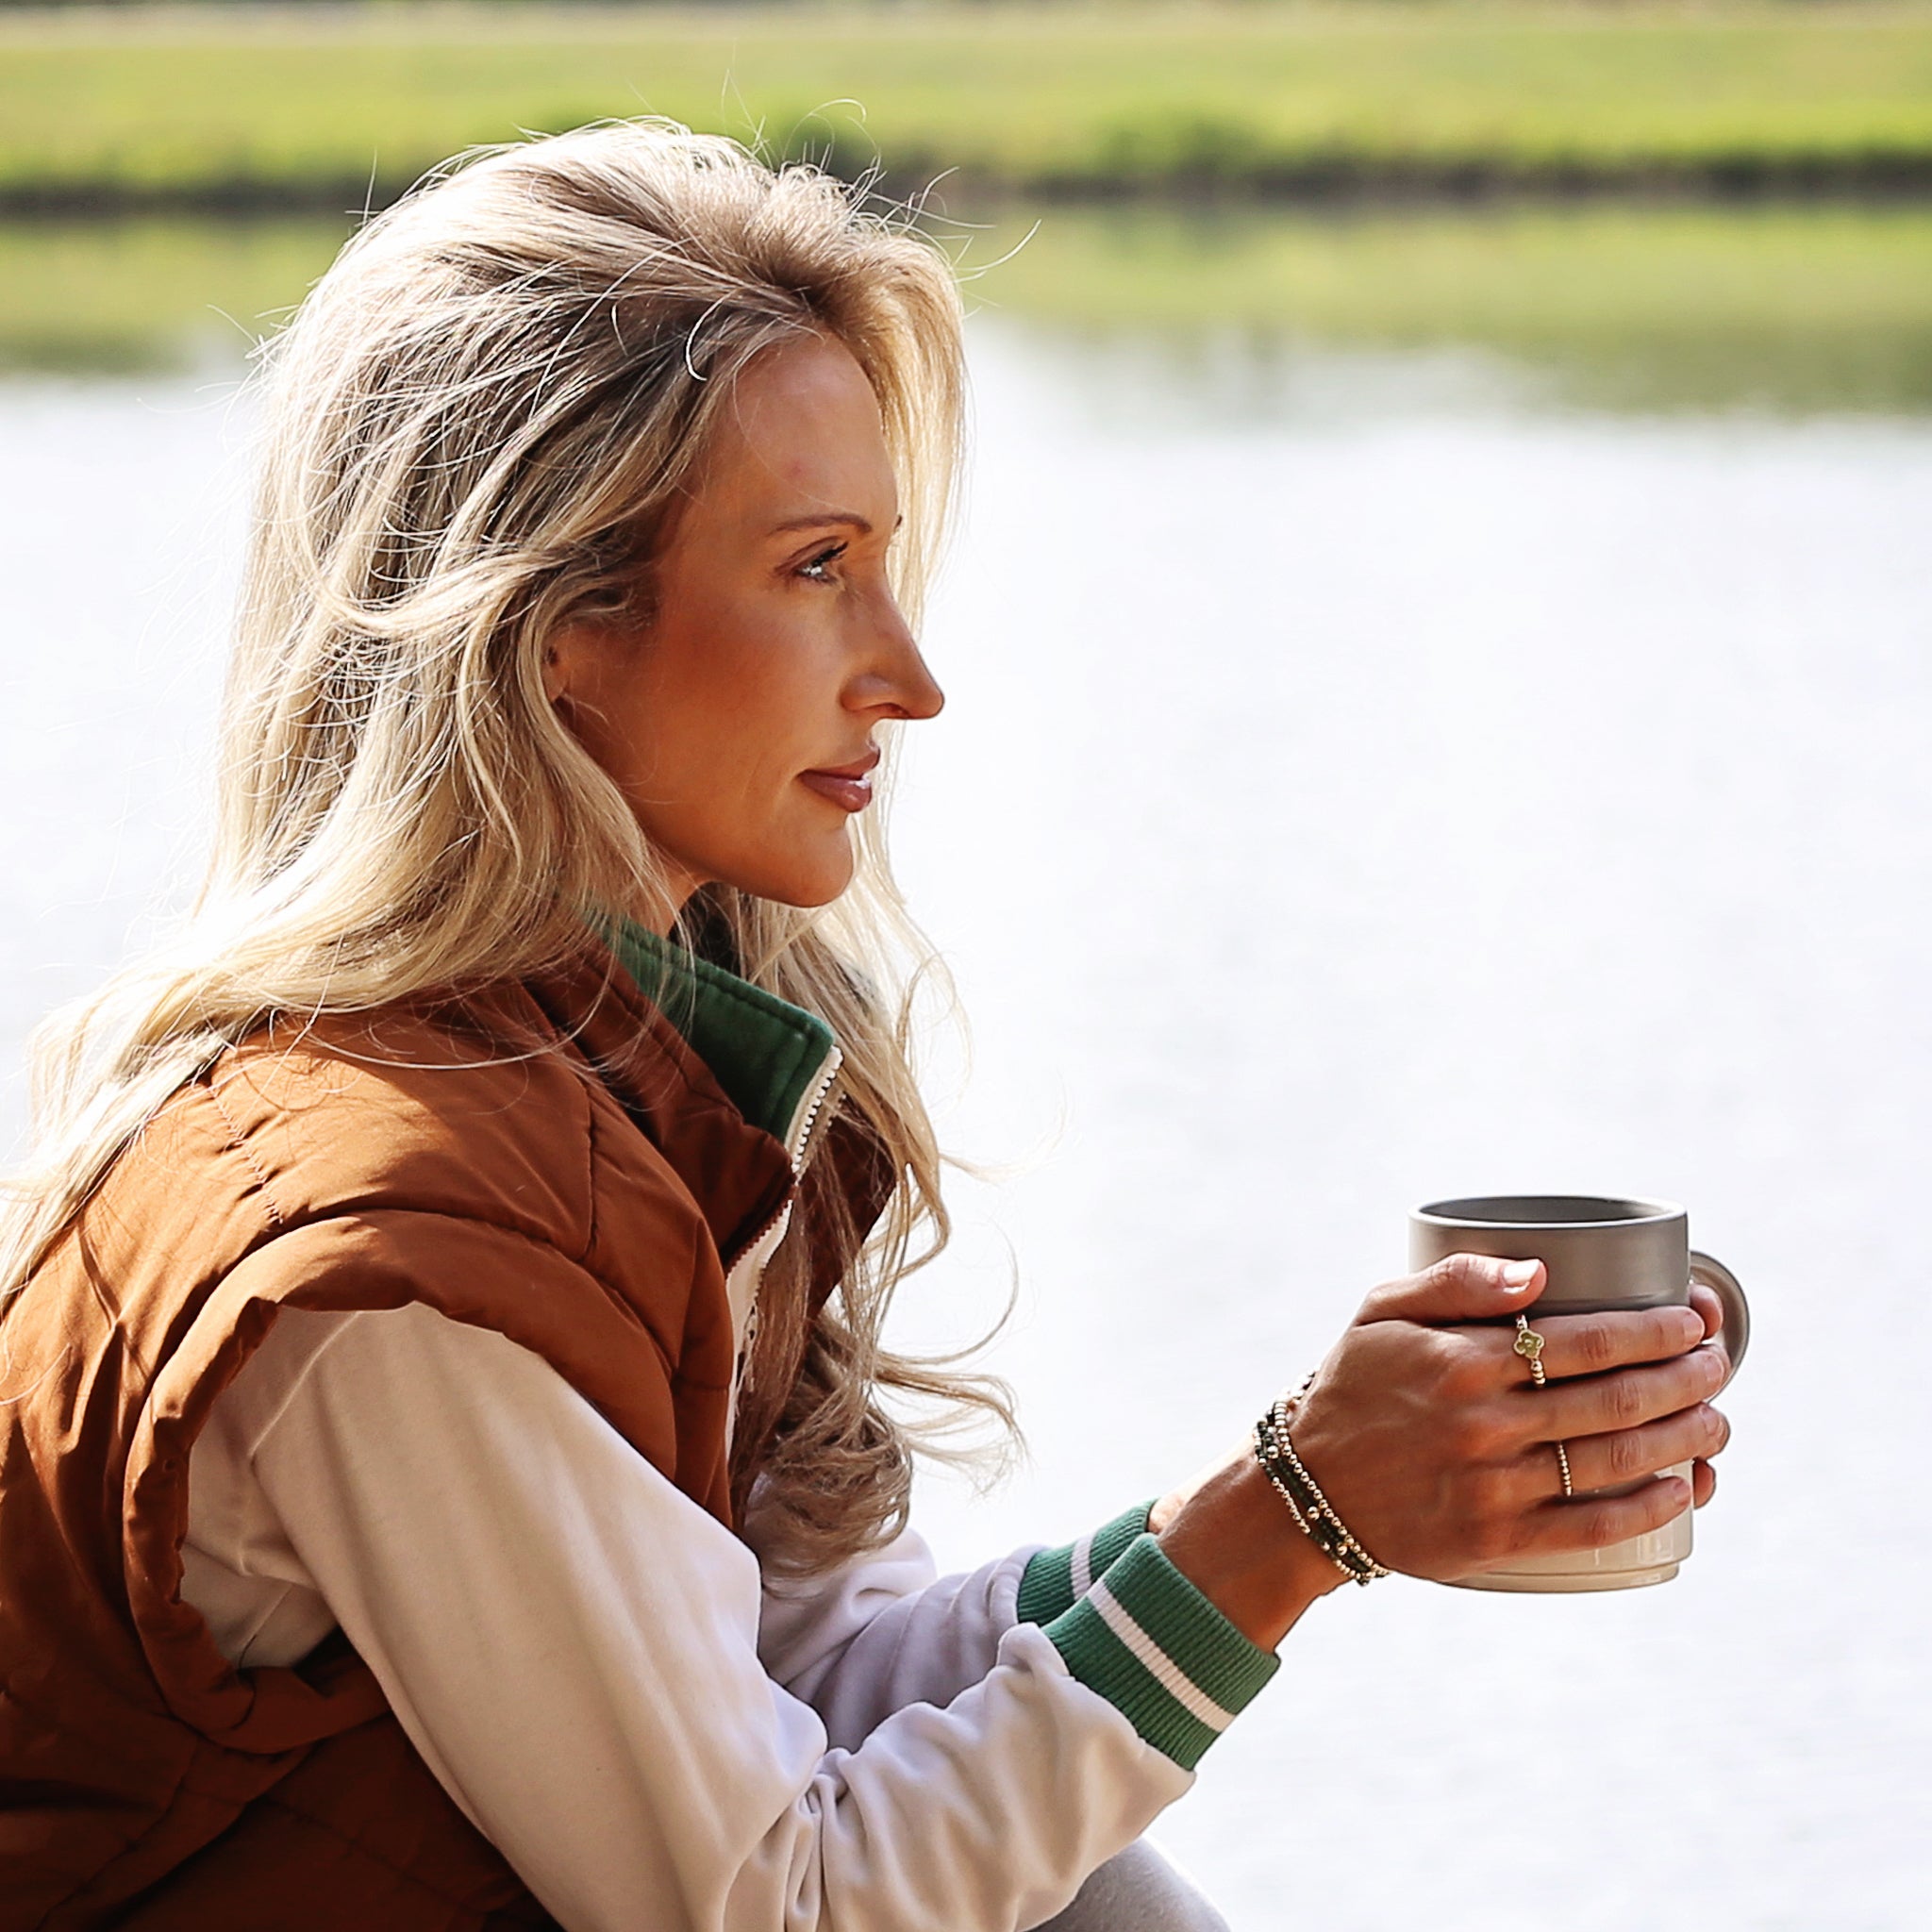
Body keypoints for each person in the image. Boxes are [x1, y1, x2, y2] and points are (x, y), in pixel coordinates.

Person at [0, 124, 1732, 1932]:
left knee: (1085, 1889)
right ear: (554, 628)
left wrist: (1342, 1477)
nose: (911, 679)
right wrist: (1295, 1520)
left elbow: (811, 1682)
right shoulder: (388, 1251)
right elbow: (787, 1903)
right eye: (818, 566)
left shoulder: (629, 1085)